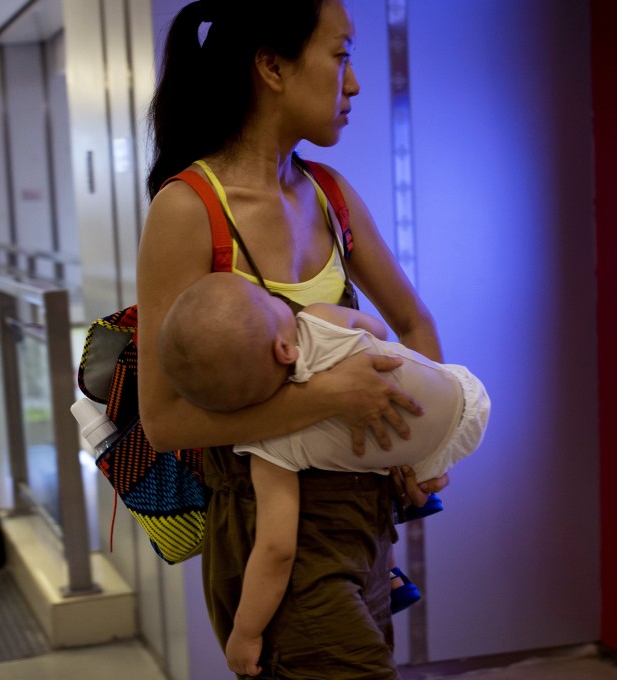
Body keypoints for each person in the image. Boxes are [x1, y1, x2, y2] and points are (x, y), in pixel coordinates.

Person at [137, 1, 448, 678]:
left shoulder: (330, 195)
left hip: (362, 527)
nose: (355, 83)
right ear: (272, 67)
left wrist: (423, 436)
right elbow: (163, 421)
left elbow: (413, 321)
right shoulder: (189, 209)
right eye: (340, 56)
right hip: (266, 540)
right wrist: (337, 397)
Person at [158, 272, 490, 676]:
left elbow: (276, 550)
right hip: (458, 399)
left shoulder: (268, 447)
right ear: (283, 349)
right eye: (271, 300)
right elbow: (376, 328)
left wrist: (245, 633)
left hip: (412, 464)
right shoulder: (319, 322)